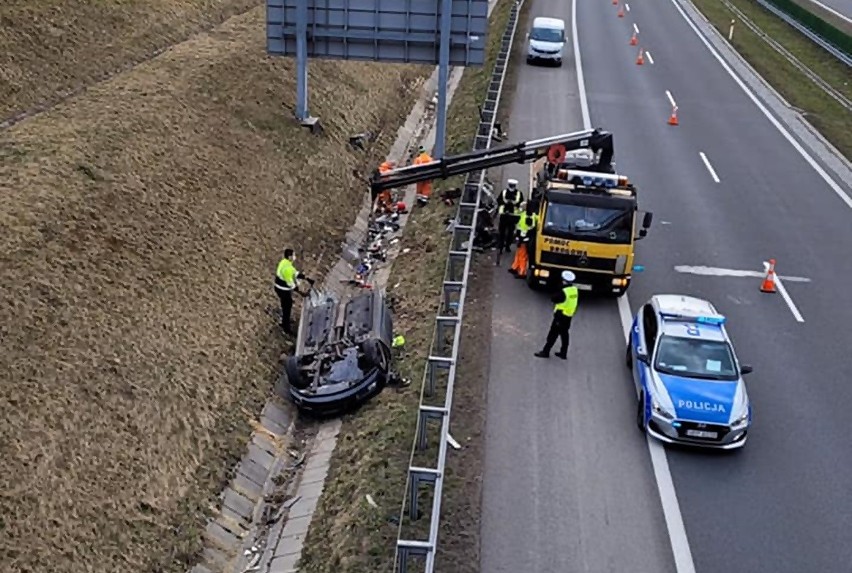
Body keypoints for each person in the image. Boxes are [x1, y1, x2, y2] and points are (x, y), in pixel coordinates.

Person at [535, 271, 579, 359]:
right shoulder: (574, 290)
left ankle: (545, 351)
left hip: (560, 315)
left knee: (553, 334)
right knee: (564, 334)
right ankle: (563, 353)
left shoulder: (563, 292)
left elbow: (554, 299)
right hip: (568, 315)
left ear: (564, 281)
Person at [274, 248, 315, 335]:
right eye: (293, 255)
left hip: (279, 288)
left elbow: (295, 273)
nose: (294, 257)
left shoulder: (285, 262)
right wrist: (302, 293)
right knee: (287, 307)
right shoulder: (287, 269)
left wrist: (306, 278)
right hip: (283, 290)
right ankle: (286, 328)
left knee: (285, 305)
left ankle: (285, 321)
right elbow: (291, 285)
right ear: (289, 257)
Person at [496, 178, 524, 263]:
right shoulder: (505, 192)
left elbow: (521, 202)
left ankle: (506, 246)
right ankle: (501, 247)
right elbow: (499, 200)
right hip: (505, 215)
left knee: (509, 232)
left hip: (512, 216)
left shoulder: (518, 193)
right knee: (502, 232)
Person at [509, 207, 537, 278]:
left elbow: (528, 229)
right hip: (522, 238)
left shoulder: (530, 217)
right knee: (518, 253)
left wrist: (521, 238)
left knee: (523, 256)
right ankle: (515, 267)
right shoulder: (525, 215)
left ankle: (522, 272)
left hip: (525, 239)